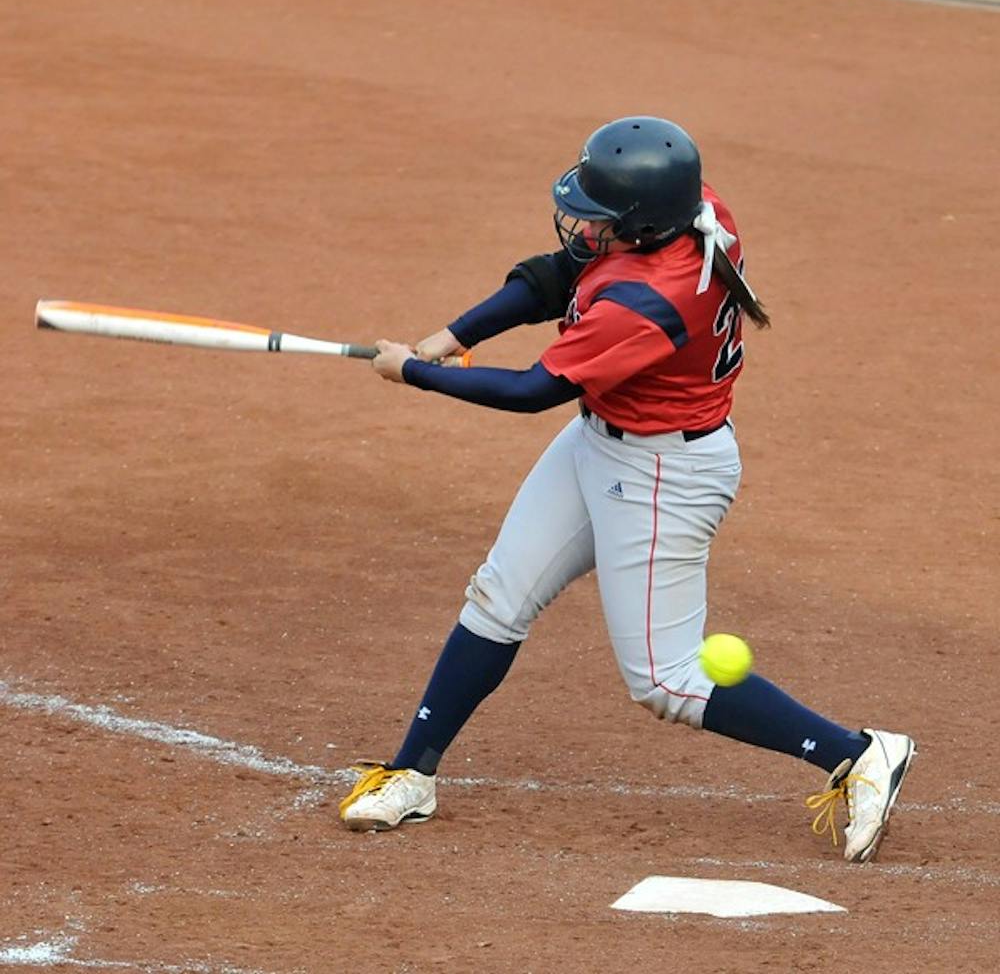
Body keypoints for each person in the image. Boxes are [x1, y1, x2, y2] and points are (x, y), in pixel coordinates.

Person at [338, 116, 915, 863]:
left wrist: (414, 373)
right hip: (602, 442)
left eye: (598, 218)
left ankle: (860, 753)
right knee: (499, 594)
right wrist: (455, 335)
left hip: (661, 477)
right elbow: (556, 275)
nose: (580, 223)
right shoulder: (693, 210)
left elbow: (530, 391)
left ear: (641, 226)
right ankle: (412, 773)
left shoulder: (647, 303)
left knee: (667, 679)